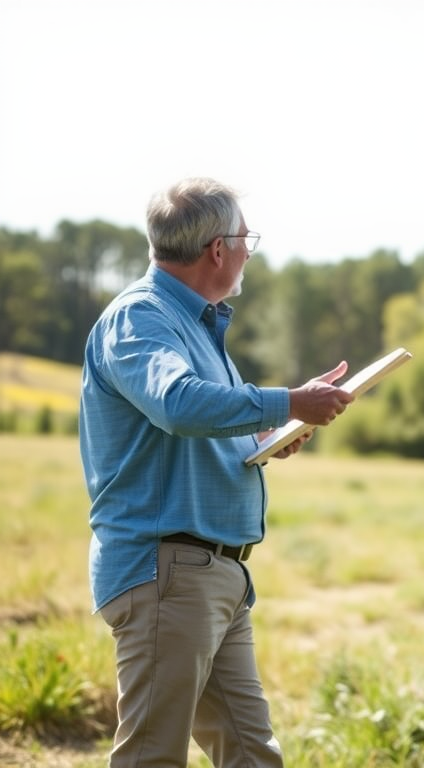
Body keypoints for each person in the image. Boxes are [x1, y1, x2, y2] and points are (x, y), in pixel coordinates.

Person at [79, 177, 354, 767]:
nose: (250, 251)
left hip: (212, 576)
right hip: (167, 573)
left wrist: (266, 437)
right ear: (219, 250)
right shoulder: (140, 318)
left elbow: (194, 427)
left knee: (252, 755)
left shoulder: (198, 325)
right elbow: (178, 405)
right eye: (246, 238)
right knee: (153, 756)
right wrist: (288, 402)